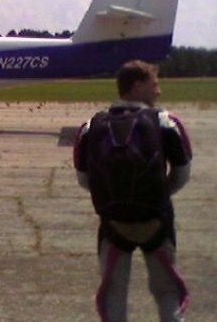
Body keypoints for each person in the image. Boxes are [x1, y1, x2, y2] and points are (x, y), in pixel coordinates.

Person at [74, 60, 192, 322]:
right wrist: (159, 194)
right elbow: (182, 174)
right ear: (137, 86)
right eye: (154, 85)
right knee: (166, 290)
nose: (158, 92)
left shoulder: (92, 126)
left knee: (114, 294)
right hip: (157, 222)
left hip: (113, 224)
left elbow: (84, 180)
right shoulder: (165, 122)